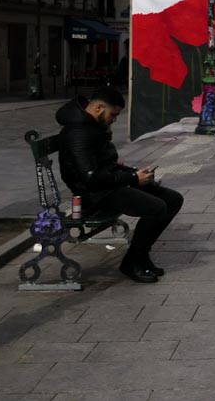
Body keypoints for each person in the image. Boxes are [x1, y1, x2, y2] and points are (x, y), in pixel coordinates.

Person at [56, 86, 184, 283]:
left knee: (173, 199)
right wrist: (133, 179)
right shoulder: (78, 131)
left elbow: (107, 165)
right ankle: (132, 262)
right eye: (113, 115)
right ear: (98, 108)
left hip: (108, 186)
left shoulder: (91, 125)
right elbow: (90, 178)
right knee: (156, 208)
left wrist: (133, 173)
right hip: (94, 195)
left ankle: (141, 256)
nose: (114, 120)